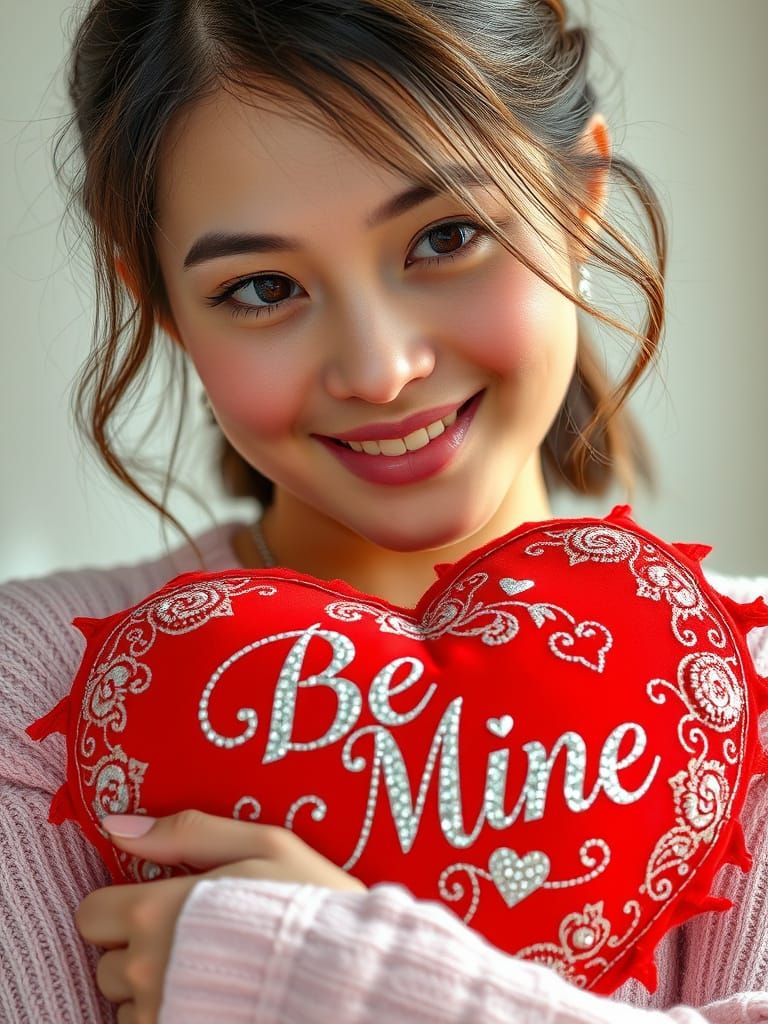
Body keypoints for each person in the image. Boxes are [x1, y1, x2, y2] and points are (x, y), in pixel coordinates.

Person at [1, 0, 766, 1022]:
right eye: (262, 288)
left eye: (446, 236)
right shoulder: (30, 701)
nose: (379, 369)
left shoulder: (747, 687)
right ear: (161, 304)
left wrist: (338, 980)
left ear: (579, 195)